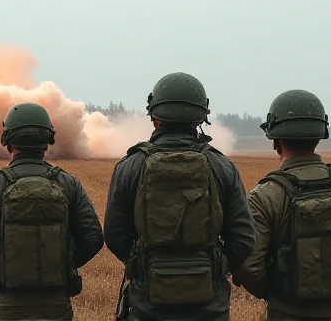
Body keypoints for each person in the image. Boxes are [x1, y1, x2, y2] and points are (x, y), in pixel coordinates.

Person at [104, 71, 255, 321]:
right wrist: (215, 268)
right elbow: (243, 237)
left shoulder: (131, 166)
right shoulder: (221, 166)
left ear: (154, 117)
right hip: (209, 308)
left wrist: (143, 266)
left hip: (147, 306)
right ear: (200, 118)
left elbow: (114, 235)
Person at [233, 89, 331, 321]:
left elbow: (250, 267)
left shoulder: (266, 196)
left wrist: (278, 295)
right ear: (320, 134)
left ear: (275, 140)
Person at [0, 102, 105, 321]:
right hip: (56, 305)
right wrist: (63, 262)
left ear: (8, 143)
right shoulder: (68, 183)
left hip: (8, 305)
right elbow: (93, 237)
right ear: (47, 142)